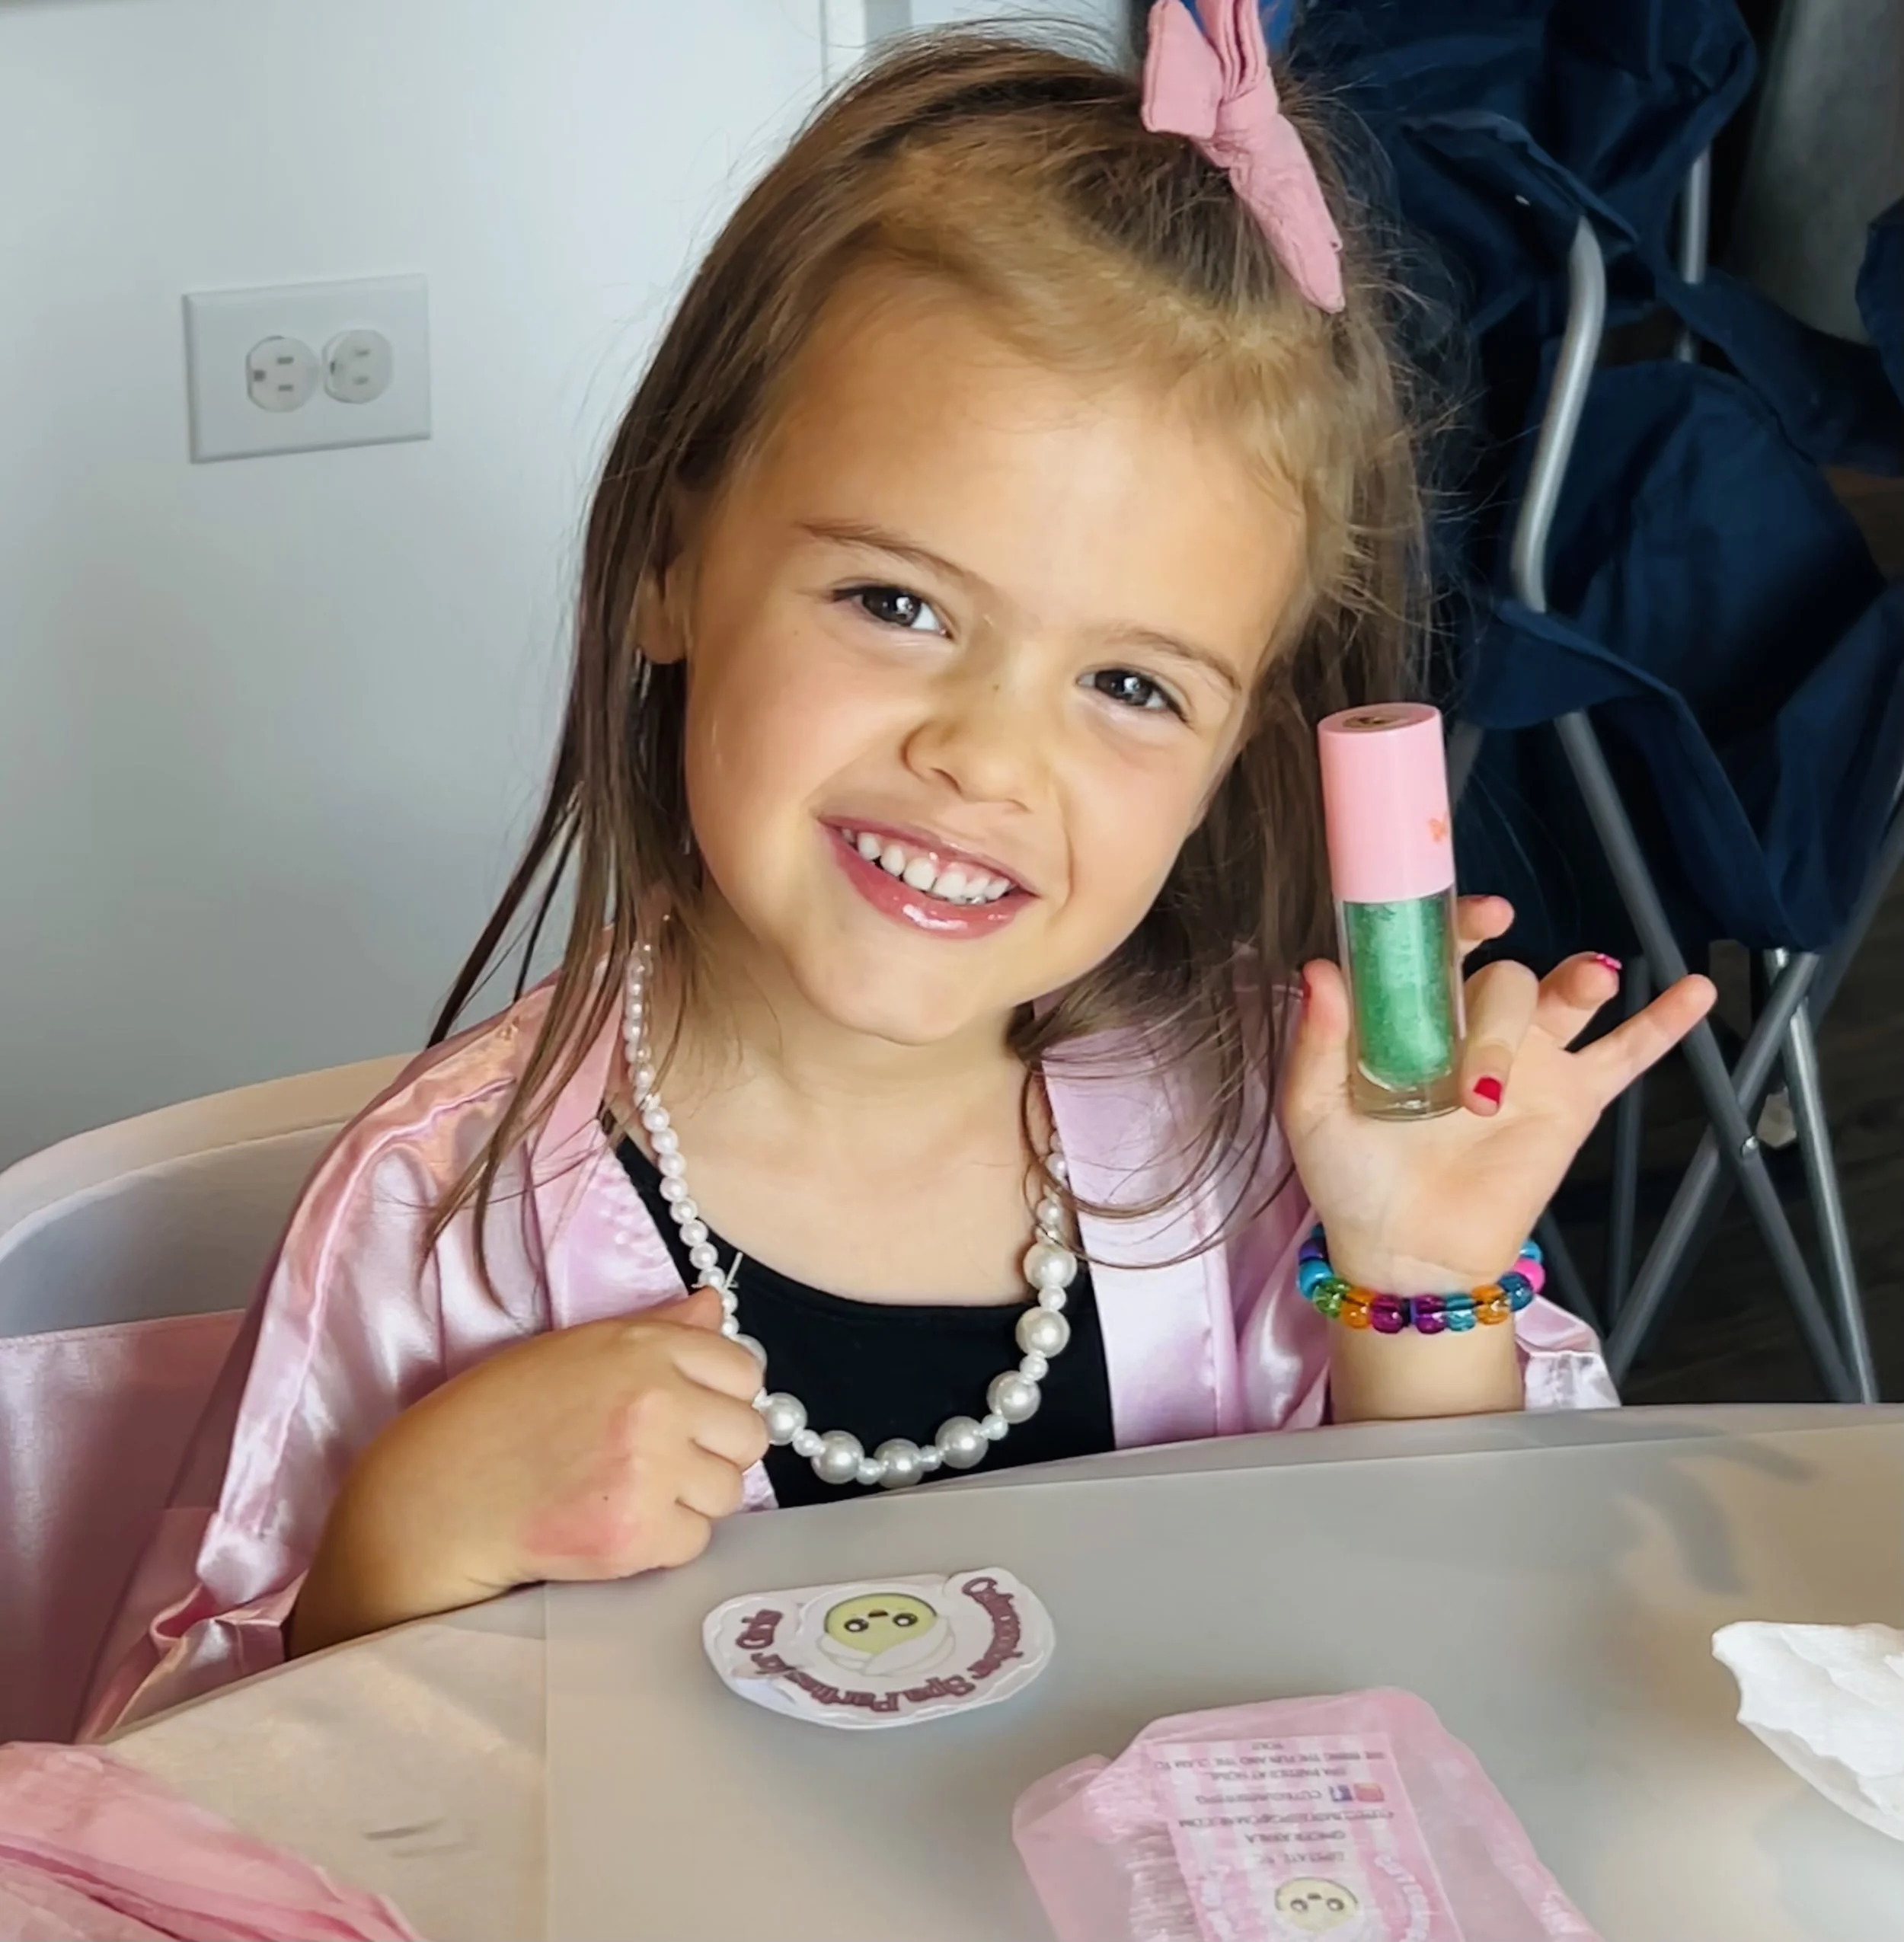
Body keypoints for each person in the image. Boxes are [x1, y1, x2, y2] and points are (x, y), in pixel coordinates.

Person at [83, 4, 1713, 1736]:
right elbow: (187, 1813)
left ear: (1230, 754)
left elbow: (1490, 1673)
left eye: (1128, 686)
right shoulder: (438, 1222)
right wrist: (402, 1547)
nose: (986, 760)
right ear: (668, 567)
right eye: (896, 604)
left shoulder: (1272, 1156)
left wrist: (1414, 1279)